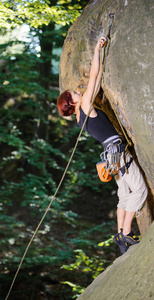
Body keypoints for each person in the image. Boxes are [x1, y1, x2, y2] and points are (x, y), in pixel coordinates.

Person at [57, 36, 148, 253]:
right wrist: (97, 49)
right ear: (72, 101)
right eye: (72, 94)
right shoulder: (86, 105)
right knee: (141, 191)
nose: (76, 91)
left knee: (124, 195)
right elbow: (94, 75)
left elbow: (95, 84)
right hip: (118, 153)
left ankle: (119, 234)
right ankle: (126, 233)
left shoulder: (80, 116)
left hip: (111, 157)